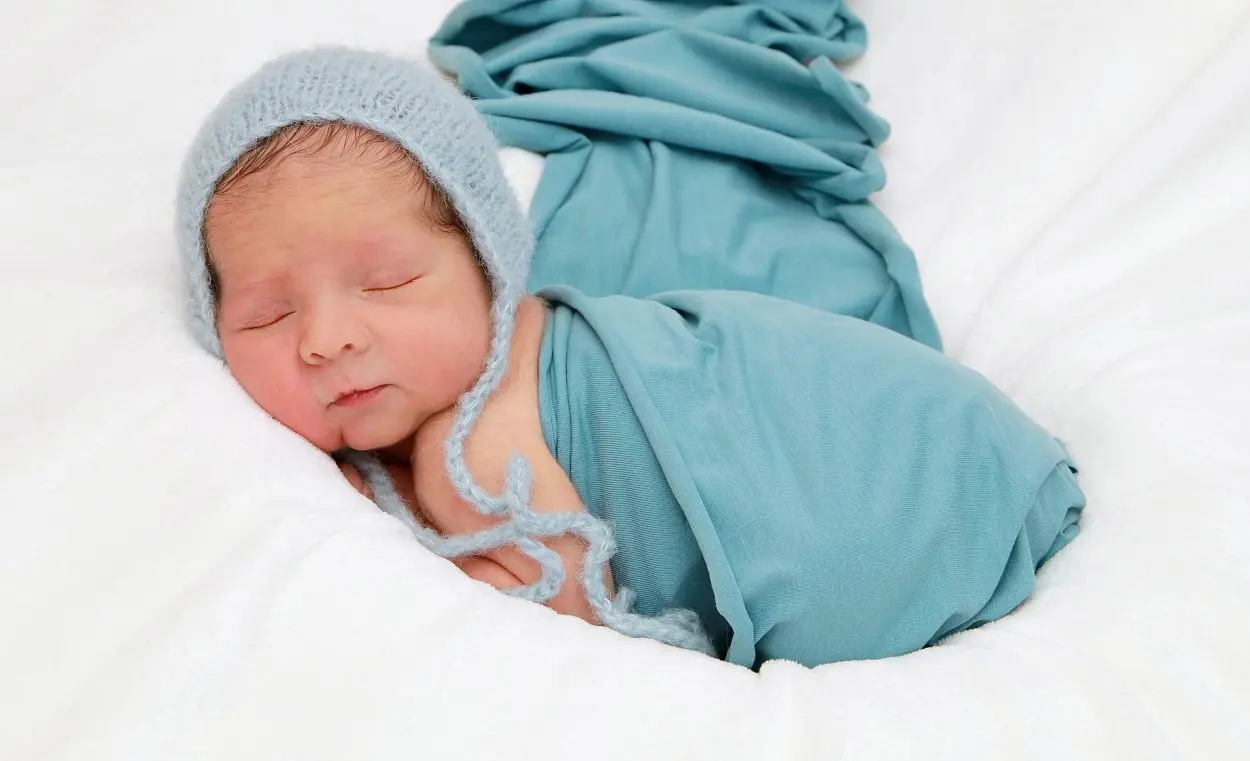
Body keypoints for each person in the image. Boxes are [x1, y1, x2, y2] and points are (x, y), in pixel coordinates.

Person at [177, 47, 1084, 668]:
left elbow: (567, 618)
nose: (326, 337)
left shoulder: (476, 453)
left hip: (927, 477)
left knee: (835, 539)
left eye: (386, 281)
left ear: (491, 268)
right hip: (983, 450)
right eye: (269, 314)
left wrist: (420, 546)